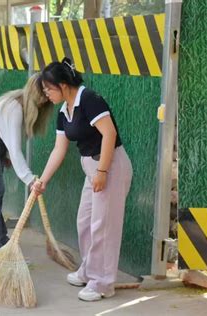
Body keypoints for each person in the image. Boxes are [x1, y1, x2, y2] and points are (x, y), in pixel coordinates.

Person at [32, 57, 133, 301]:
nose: (46, 94)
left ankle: (102, 283)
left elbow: (109, 133)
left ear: (64, 85)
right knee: (85, 221)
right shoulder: (63, 112)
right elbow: (59, 149)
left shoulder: (89, 99)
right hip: (91, 166)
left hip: (110, 165)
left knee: (103, 225)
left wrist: (102, 172)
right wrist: (42, 180)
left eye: (48, 88)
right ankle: (90, 270)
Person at [0, 73, 53, 254]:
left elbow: (11, 144)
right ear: (36, 93)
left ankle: (0, 236)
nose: (47, 98)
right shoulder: (14, 107)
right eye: (45, 93)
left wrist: (9, 155)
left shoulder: (23, 104)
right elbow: (15, 148)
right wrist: (30, 179)